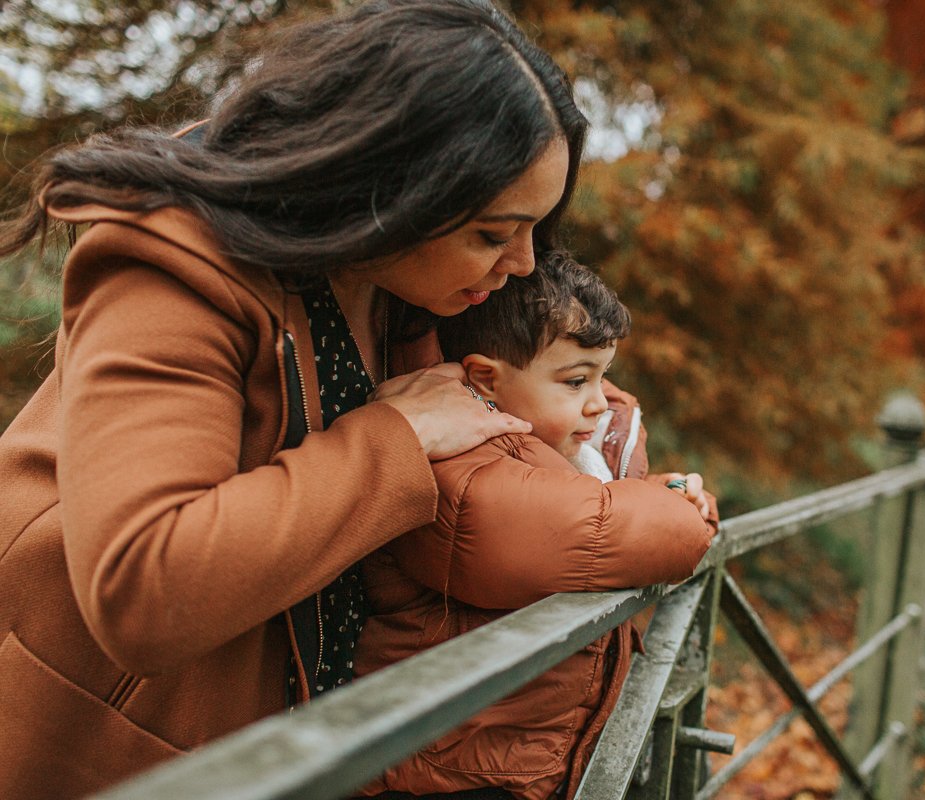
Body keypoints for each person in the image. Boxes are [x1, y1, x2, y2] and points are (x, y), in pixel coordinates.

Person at [0, 2, 594, 797]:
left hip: (299, 740)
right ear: (392, 190)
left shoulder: (397, 282)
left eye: (534, 230)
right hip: (108, 751)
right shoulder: (171, 262)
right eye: (493, 234)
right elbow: (145, 586)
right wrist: (392, 439)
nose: (524, 264)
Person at [354, 251, 718, 800]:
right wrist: (672, 506)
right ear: (487, 380)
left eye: (603, 377)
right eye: (575, 382)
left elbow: (601, 504)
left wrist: (665, 489)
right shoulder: (457, 469)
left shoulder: (555, 452)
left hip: (517, 760)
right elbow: (617, 527)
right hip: (444, 773)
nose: (598, 404)